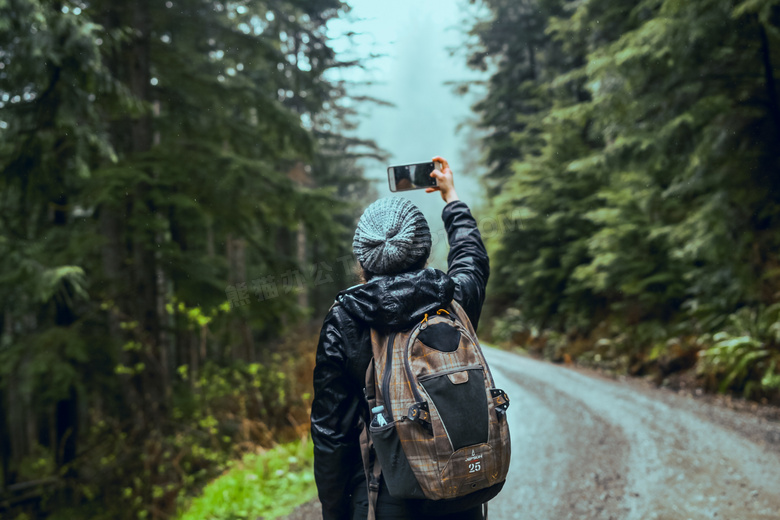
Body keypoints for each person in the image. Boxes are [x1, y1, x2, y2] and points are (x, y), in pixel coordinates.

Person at [311, 156, 490, 520]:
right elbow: (471, 255)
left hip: (383, 495)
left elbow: (332, 432)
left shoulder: (345, 319)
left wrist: (334, 511)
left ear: (364, 260)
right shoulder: (454, 298)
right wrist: (450, 196)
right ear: (424, 251)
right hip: (459, 490)